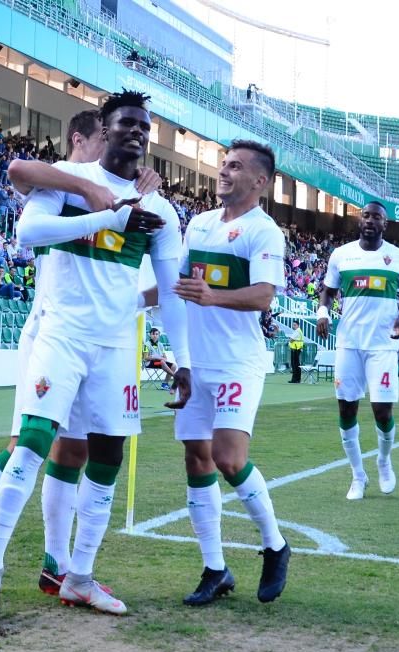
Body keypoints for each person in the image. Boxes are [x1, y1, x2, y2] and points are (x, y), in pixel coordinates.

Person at [0, 90, 190, 623]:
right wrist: (106, 219)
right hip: (61, 334)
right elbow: (27, 233)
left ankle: (79, 577)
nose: (135, 132)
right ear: (104, 130)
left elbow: (171, 289)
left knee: (107, 458)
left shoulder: (159, 208)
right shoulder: (66, 177)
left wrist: (183, 360)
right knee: (32, 445)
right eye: (125, 123)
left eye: (143, 126)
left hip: (116, 345)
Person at [0, 108, 161, 606]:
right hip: (49, 329)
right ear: (84, 140)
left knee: (73, 452)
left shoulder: (112, 197)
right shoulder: (67, 184)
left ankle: (58, 566)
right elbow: (24, 173)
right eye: (104, 141)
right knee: (23, 446)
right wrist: (104, 195)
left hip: (90, 333)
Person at [171, 139, 291, 606]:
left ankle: (276, 545)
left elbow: (263, 296)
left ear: (259, 181)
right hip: (197, 364)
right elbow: (178, 287)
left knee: (229, 458)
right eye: (223, 165)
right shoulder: (199, 225)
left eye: (235, 167)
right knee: (196, 460)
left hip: (238, 361)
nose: (224, 172)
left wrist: (212, 297)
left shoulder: (264, 232)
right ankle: (215, 568)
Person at [315, 201, 399, 500]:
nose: (371, 220)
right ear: (360, 221)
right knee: (347, 408)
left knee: (382, 411)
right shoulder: (341, 255)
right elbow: (328, 290)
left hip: (382, 344)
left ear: (386, 225)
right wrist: (323, 313)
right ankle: (358, 476)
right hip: (349, 343)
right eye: (366, 216)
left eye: (377, 217)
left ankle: (383, 461)